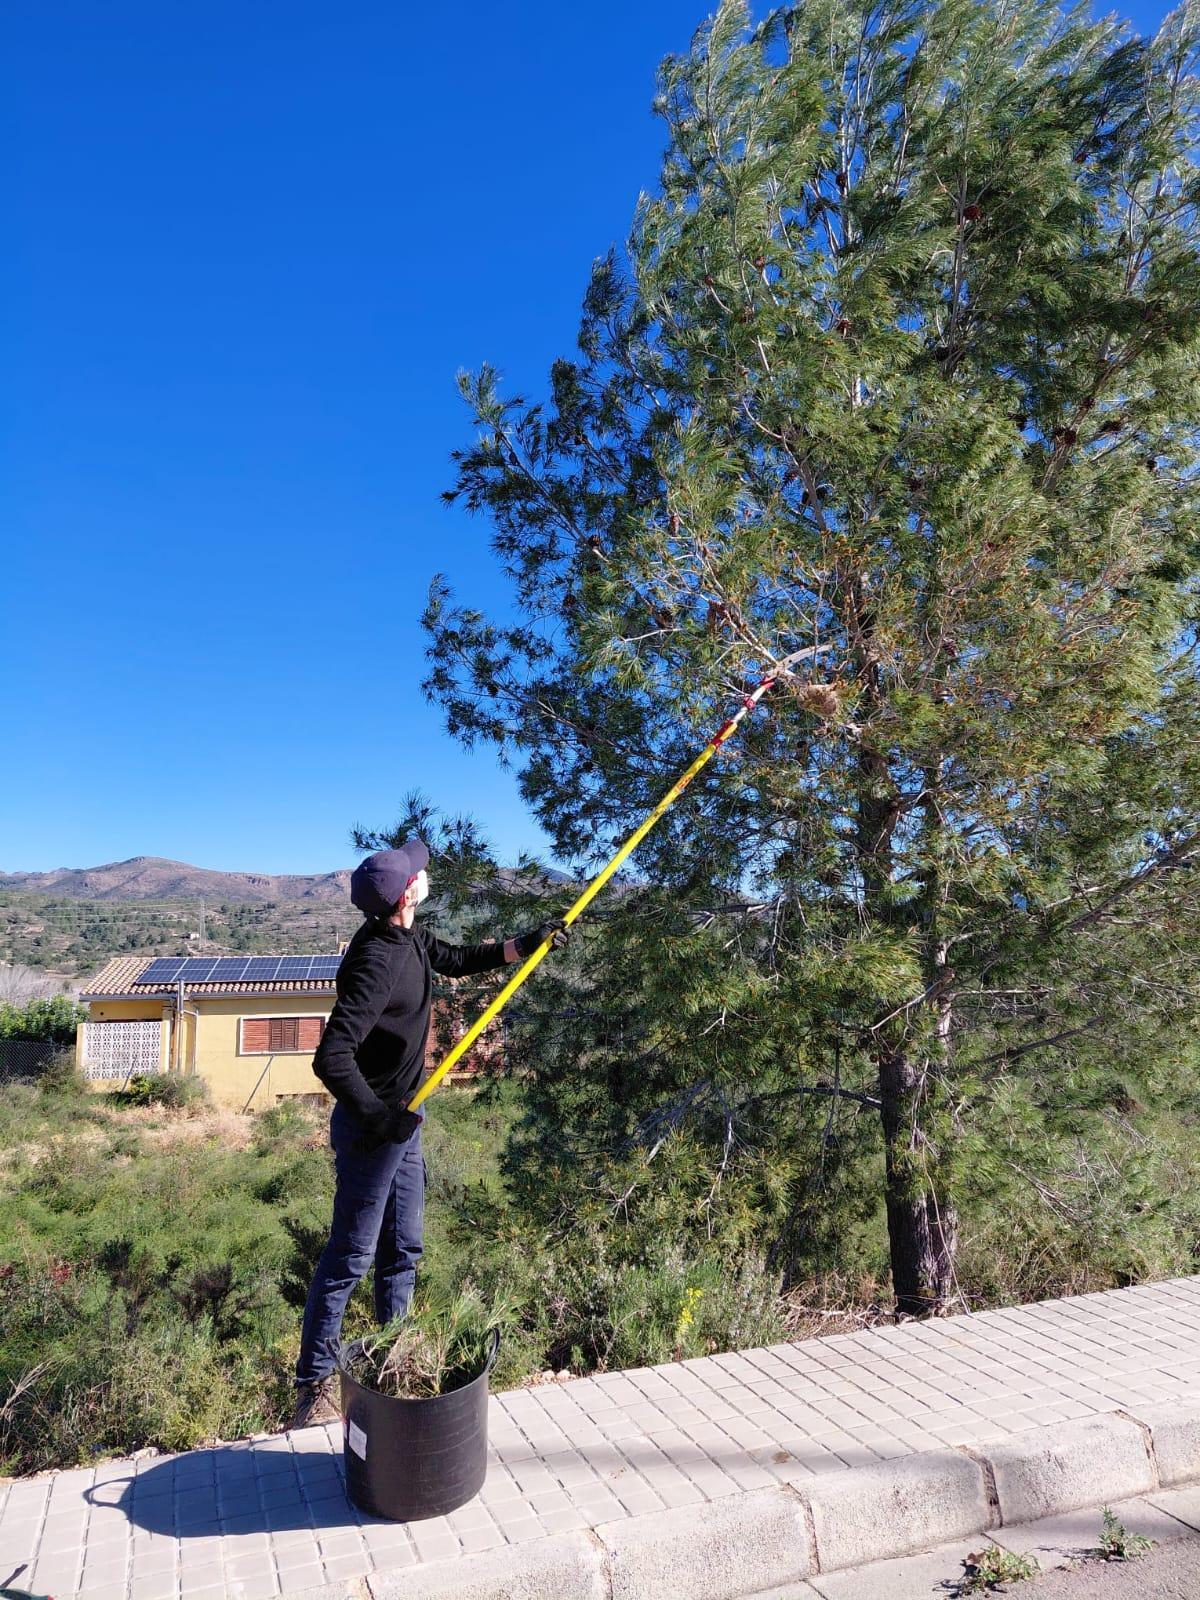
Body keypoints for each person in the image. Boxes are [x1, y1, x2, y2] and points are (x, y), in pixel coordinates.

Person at [292, 840, 567, 1428]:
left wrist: (526, 944)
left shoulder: (411, 937)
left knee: (403, 1251)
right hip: (374, 1129)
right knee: (350, 1257)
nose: (424, 873)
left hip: (404, 1122)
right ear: (404, 895)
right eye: (417, 873)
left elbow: (456, 957)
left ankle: (395, 1357)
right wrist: (378, 1115)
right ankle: (313, 1387)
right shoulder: (376, 961)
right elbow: (331, 1058)